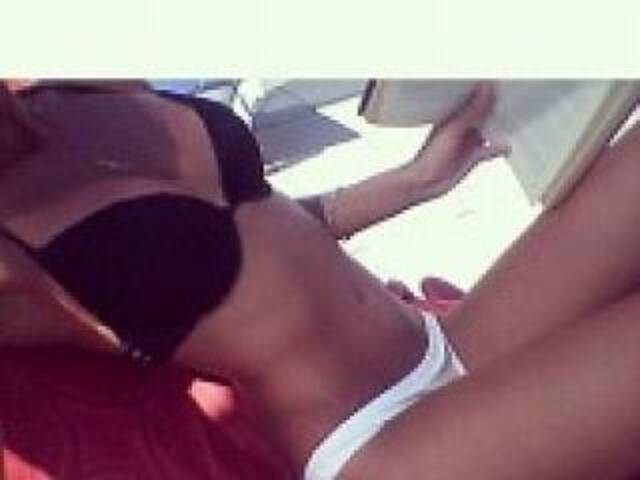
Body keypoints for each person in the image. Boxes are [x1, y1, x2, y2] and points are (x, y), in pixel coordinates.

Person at [2, 78, 639, 480]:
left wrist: (415, 181)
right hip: (379, 445)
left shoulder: (76, 85)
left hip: (446, 342)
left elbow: (260, 227)